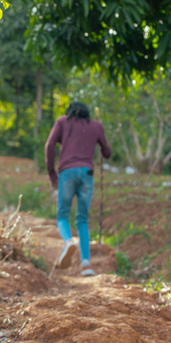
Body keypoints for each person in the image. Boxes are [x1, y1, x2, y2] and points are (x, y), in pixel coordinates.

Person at [45, 101, 111, 276]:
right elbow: (107, 152)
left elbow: (49, 145)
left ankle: (68, 242)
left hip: (66, 173)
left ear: (70, 113)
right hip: (87, 174)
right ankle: (86, 264)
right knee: (82, 219)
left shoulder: (62, 122)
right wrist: (99, 136)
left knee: (62, 215)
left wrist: (52, 174)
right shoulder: (96, 125)